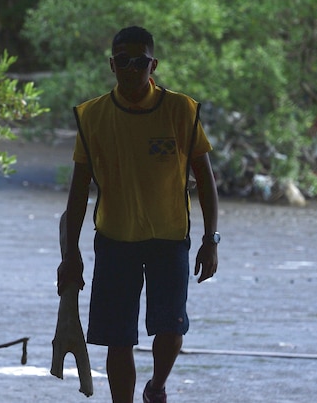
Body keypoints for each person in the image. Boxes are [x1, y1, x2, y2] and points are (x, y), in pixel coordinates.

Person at [57, 25, 220, 403]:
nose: (132, 69)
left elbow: (206, 181)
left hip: (170, 238)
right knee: (119, 339)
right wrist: (71, 255)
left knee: (171, 328)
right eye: (123, 61)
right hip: (115, 240)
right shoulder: (92, 116)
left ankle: (157, 387)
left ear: (153, 65)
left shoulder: (181, 110)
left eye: (140, 62)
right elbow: (78, 191)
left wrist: (211, 240)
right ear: (112, 66)